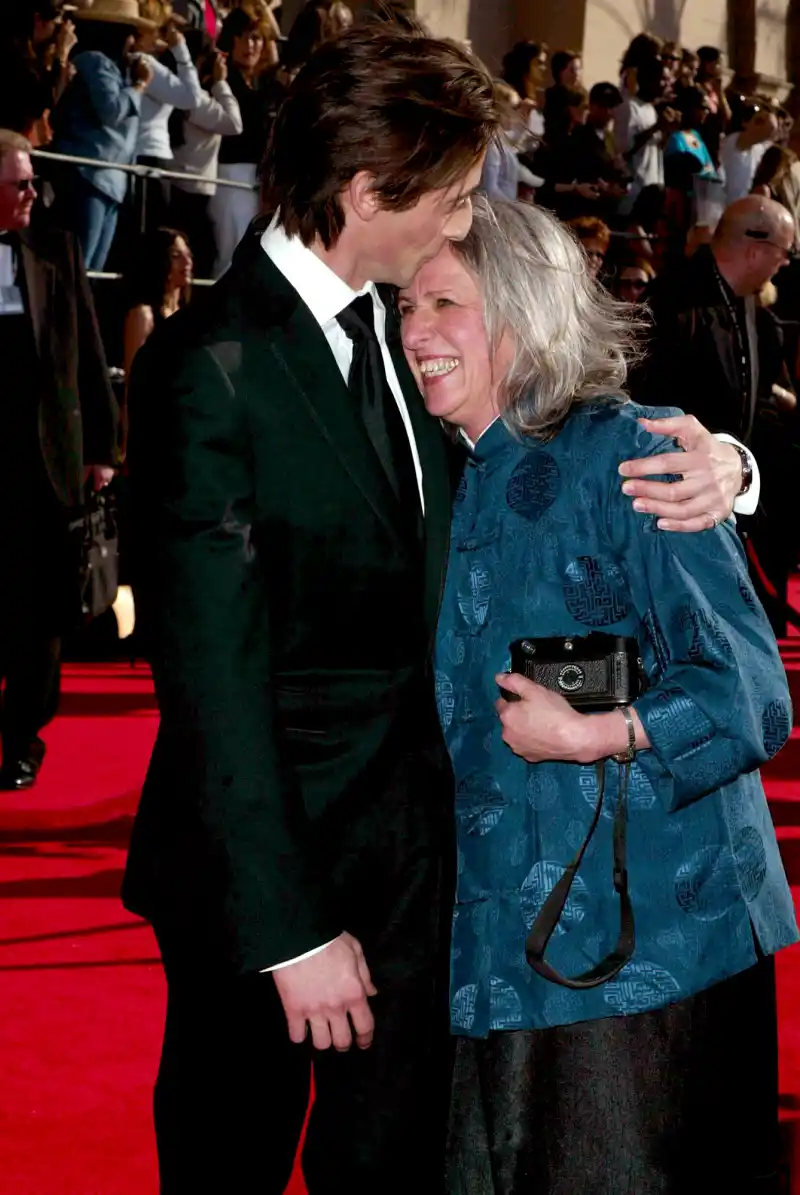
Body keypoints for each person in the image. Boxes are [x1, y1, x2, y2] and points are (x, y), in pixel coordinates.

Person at [122, 28, 497, 1194]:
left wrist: (724, 466)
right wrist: (288, 930)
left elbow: (532, 458)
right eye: (452, 195)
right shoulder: (210, 366)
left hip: (415, 871)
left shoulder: (410, 327)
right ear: (369, 190)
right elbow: (212, 683)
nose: (466, 220)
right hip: (262, 880)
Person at [398, 195, 796, 1194]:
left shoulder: (630, 456)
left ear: (522, 309)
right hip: (500, 956)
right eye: (406, 307)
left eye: (444, 303)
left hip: (651, 959)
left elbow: (753, 695)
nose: (415, 332)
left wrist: (598, 733)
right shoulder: (450, 471)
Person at [0, 130, 118, 790]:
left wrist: (101, 449)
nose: (32, 194)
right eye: (19, 184)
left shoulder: (55, 251)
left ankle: (22, 739)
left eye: (33, 182)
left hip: (46, 464)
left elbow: (89, 355)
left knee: (41, 611)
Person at [635, 195, 798, 633]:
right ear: (755, 251)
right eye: (784, 254)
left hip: (734, 497)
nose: (784, 265)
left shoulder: (747, 306)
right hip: (677, 508)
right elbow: (642, 406)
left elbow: (754, 403)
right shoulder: (671, 304)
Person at [50, 0, 156, 270]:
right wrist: (139, 86)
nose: (134, 42)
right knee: (79, 265)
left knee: (94, 272)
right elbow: (111, 110)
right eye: (130, 34)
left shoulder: (119, 70)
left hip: (112, 181)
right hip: (88, 175)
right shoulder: (94, 61)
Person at [208, 3, 282, 275]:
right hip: (230, 175)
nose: (249, 45)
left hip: (256, 180)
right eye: (242, 37)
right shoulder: (222, 76)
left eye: (256, 38)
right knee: (230, 257)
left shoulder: (260, 83)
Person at [132, 0, 203, 232]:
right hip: (149, 156)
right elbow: (193, 98)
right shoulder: (145, 62)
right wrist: (181, 51)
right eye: (160, 28)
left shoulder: (135, 59)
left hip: (141, 154)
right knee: (151, 232)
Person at [614, 55, 678, 215]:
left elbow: (656, 149)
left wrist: (668, 130)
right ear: (648, 79)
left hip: (652, 192)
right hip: (633, 197)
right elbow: (624, 151)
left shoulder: (651, 109)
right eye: (663, 79)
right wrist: (657, 126)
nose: (667, 84)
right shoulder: (629, 107)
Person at [721, 99, 778, 206]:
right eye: (758, 121)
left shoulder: (760, 151)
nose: (759, 125)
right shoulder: (727, 144)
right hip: (719, 204)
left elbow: (773, 126)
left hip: (737, 208)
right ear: (745, 123)